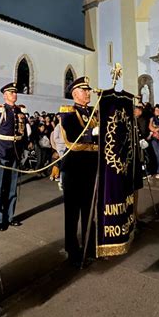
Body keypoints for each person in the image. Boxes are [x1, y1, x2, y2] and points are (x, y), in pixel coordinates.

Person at [59, 76, 99, 267]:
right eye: (84, 91)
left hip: (91, 165)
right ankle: (72, 248)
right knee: (73, 210)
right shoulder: (68, 112)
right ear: (75, 94)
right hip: (74, 166)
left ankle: (90, 243)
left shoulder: (93, 112)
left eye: (88, 90)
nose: (88, 93)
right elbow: (73, 135)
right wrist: (93, 134)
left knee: (89, 208)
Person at [0, 83, 28, 231]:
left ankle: (10, 216)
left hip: (15, 153)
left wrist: (24, 149)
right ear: (4, 95)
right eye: (10, 93)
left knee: (12, 188)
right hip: (2, 152)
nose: (14, 95)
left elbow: (23, 133)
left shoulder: (20, 111)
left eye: (15, 92)